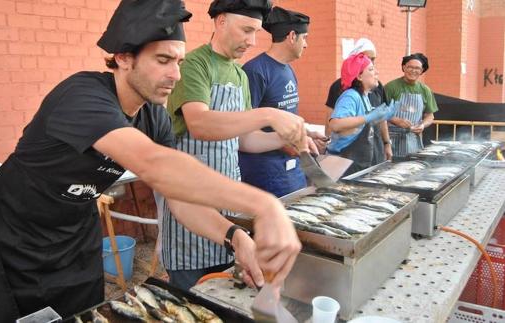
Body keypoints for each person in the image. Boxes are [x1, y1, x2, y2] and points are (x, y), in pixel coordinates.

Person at [0, 1, 301, 321]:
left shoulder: (153, 118)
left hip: (76, 230)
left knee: (86, 314)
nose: (175, 74)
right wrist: (264, 206)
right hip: (19, 232)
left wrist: (235, 235)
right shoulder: (82, 96)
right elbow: (154, 164)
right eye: (163, 60)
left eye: (179, 61)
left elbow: (179, 195)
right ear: (123, 57)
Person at [163, 0, 312, 291]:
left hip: (228, 207)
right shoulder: (195, 64)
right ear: (220, 22)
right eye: (246, 30)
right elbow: (200, 124)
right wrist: (269, 114)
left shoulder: (240, 75)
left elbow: (245, 140)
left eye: (256, 32)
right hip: (190, 204)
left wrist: (286, 138)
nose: (252, 41)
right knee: (192, 297)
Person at [239, 6, 326, 197]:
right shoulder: (255, 71)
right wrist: (286, 142)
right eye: (305, 38)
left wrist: (305, 132)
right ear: (292, 36)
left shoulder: (288, 70)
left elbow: (286, 114)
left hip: (292, 172)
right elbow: (244, 129)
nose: (306, 45)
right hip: (264, 176)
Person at [326, 53, 399, 175]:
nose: (377, 72)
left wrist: (379, 118)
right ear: (359, 76)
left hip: (358, 165)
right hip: (343, 167)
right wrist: (369, 117)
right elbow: (335, 124)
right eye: (371, 69)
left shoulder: (364, 96)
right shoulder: (351, 96)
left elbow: (359, 126)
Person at [385, 53, 438, 157]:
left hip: (414, 138)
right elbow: (380, 111)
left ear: (422, 71)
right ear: (404, 67)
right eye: (410, 67)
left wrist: (422, 125)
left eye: (417, 68)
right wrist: (396, 120)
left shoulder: (425, 90)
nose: (413, 71)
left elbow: (430, 116)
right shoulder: (391, 87)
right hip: (392, 138)